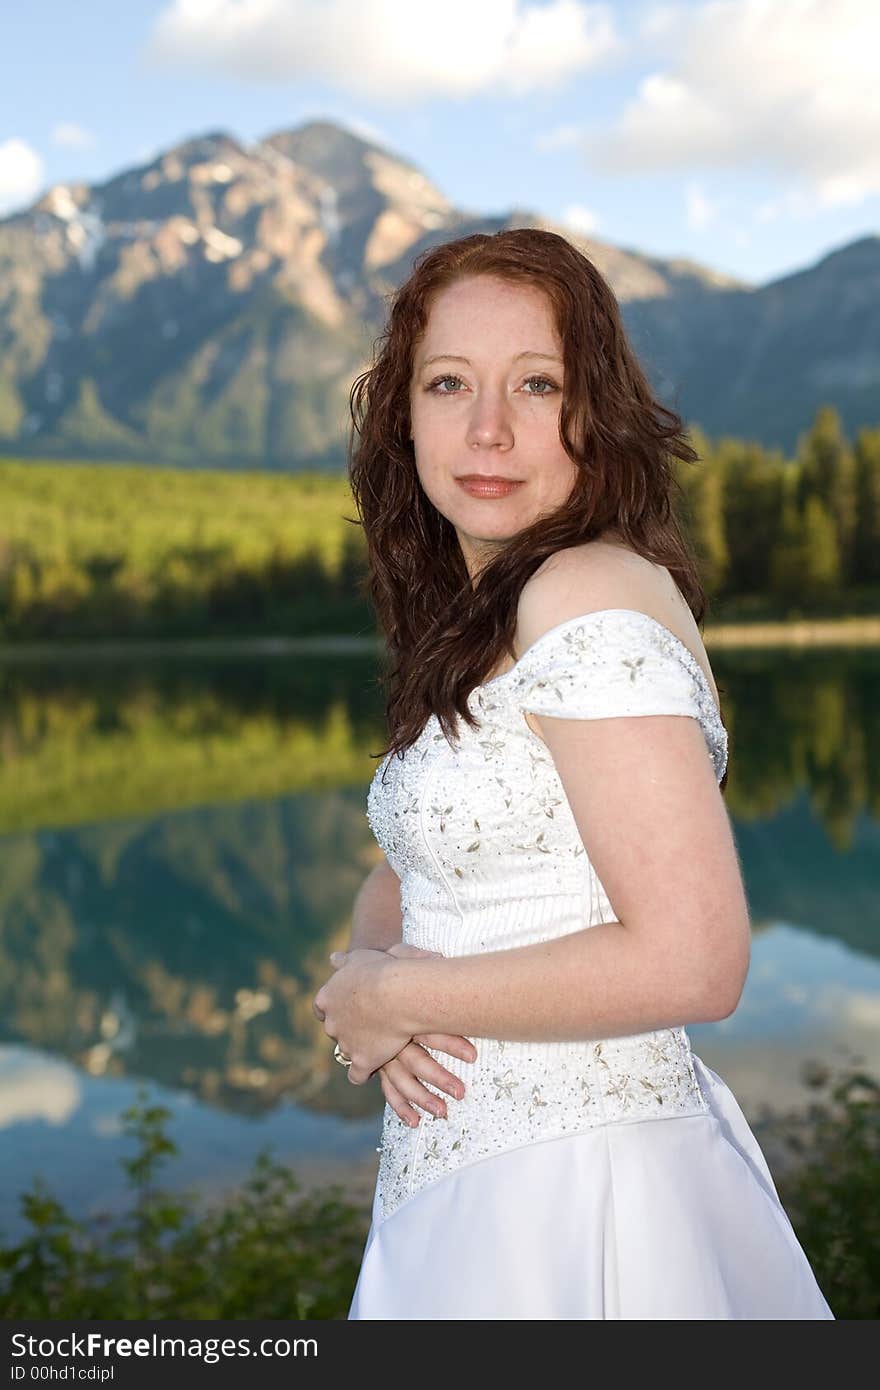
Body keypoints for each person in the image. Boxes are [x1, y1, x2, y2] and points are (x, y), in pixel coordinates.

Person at [311, 228, 834, 1320]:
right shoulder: (487, 617)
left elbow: (694, 961)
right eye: (448, 382)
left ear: (593, 412)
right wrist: (367, 970)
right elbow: (408, 875)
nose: (487, 427)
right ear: (400, 414)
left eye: (536, 383)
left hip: (583, 1195)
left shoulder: (583, 592)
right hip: (466, 1187)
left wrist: (391, 993)